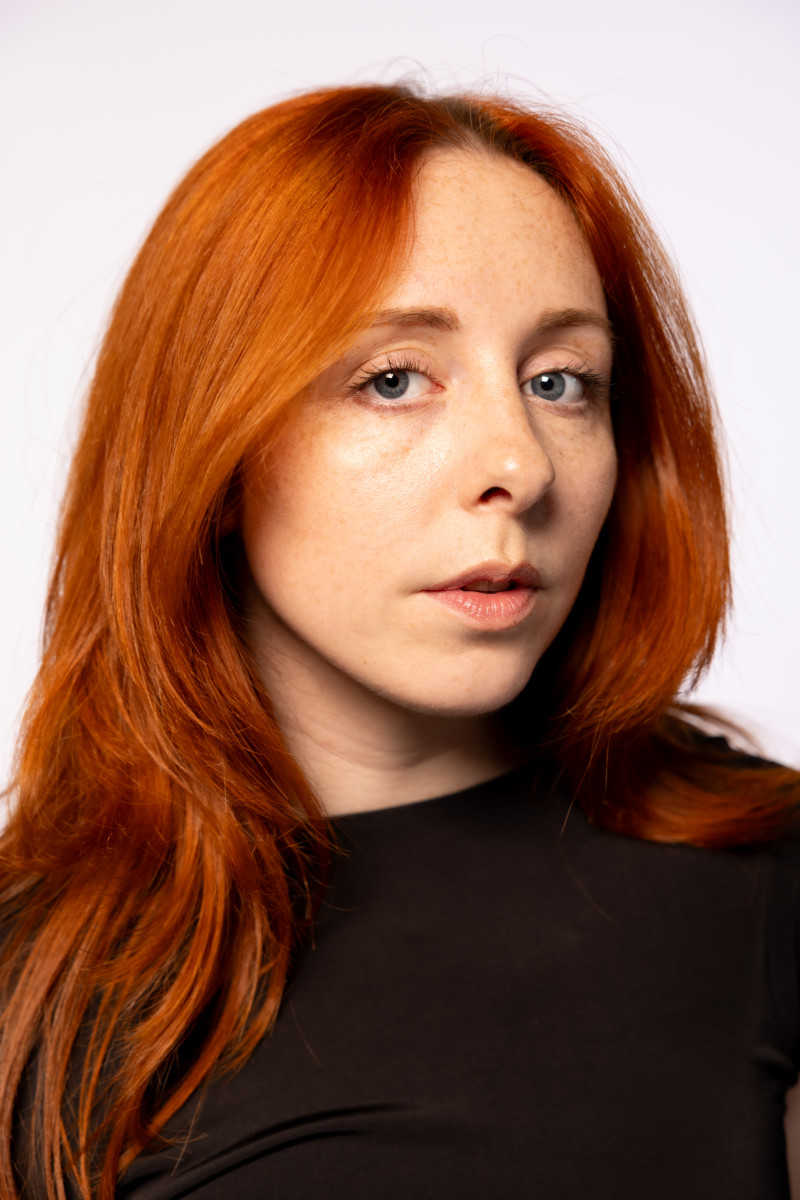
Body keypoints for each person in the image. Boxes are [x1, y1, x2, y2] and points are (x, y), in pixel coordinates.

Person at [1, 82, 798, 1200]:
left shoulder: (760, 884)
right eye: (392, 380)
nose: (519, 464)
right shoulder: (40, 982)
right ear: (211, 452)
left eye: (559, 382)